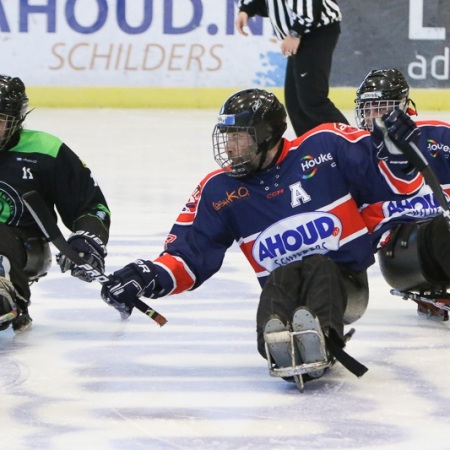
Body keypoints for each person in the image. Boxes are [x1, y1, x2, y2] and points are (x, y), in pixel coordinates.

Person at [100, 88, 420, 388]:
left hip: (346, 286)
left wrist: (402, 154)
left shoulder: (326, 146)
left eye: (239, 137)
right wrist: (147, 276)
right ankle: (274, 341)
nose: (229, 148)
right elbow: (191, 255)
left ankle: (322, 333)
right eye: (227, 138)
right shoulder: (219, 191)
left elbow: (386, 175)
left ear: (267, 136)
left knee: (319, 266)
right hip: (283, 291)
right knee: (280, 276)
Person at [0, 74, 111, 333]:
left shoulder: (46, 151)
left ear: (16, 121)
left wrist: (87, 239)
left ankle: (7, 293)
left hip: (25, 247)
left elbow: (91, 206)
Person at [354, 68, 450, 321]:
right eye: (368, 110)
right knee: (443, 226)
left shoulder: (438, 137)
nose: (374, 118)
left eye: (382, 109)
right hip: (403, 255)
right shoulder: (354, 152)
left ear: (404, 107)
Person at [235, 0, 349, 136]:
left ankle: (357, 146)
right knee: (296, 106)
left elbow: (311, 6)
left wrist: (296, 33)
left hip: (315, 31)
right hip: (301, 32)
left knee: (313, 100)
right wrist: (247, 9)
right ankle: (313, 152)